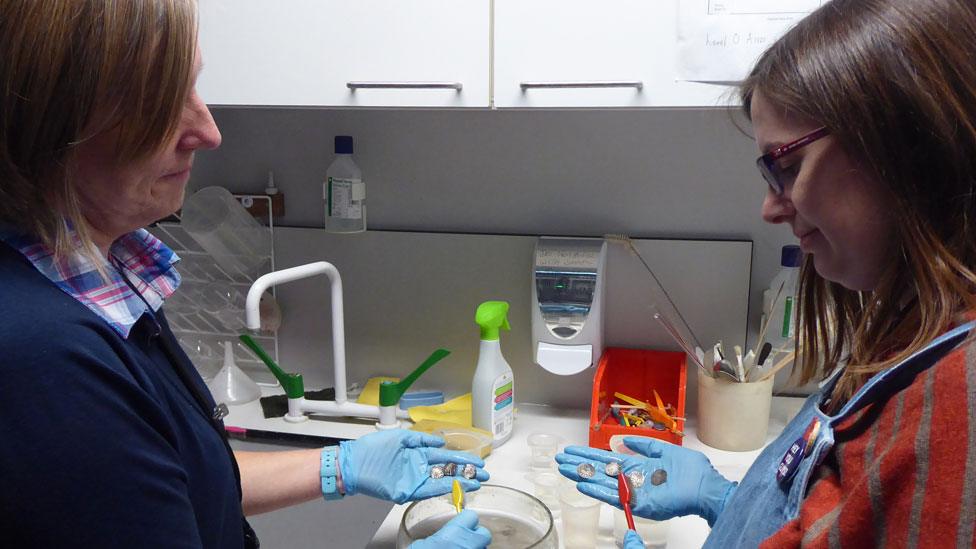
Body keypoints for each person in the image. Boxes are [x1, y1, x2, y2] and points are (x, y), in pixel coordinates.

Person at [0, 2, 491, 548]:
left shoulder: (102, 277)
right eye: (162, 104)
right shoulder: (40, 357)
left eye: (193, 87)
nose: (208, 131)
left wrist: (336, 465)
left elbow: (167, 480)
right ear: (47, 121)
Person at [557, 0, 976, 546]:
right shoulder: (915, 334)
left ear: (905, 144)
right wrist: (728, 502)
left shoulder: (956, 403)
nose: (770, 208)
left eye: (788, 166)